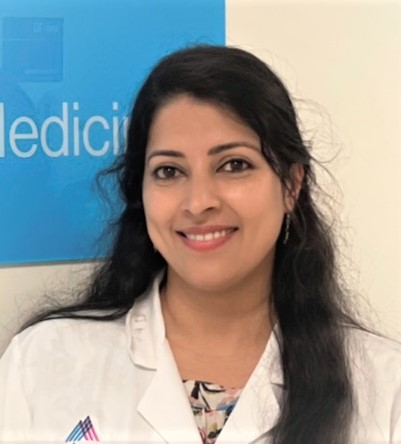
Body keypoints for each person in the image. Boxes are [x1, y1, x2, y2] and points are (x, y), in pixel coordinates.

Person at [0, 45, 400, 444]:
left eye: (234, 165)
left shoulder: (385, 390)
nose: (198, 202)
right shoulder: (43, 363)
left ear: (292, 185)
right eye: (169, 171)